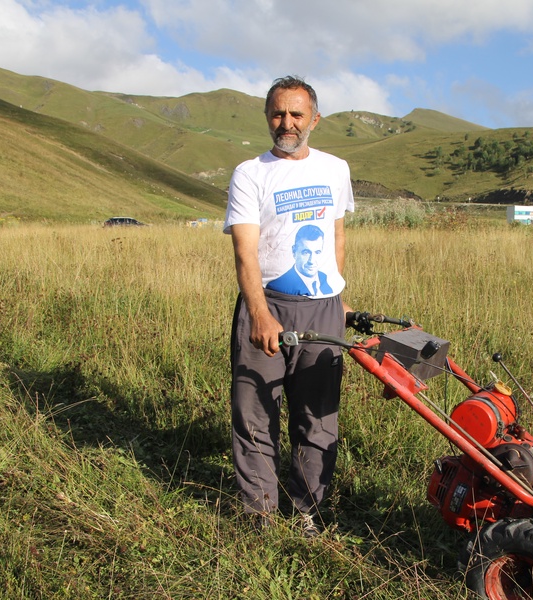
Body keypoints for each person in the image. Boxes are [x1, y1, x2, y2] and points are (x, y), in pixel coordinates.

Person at [223, 76, 354, 536]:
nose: (287, 123)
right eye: (278, 113)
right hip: (269, 305)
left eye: (297, 114)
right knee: (254, 411)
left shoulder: (336, 168)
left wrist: (340, 298)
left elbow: (337, 235)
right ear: (267, 117)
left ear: (314, 119)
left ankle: (306, 512)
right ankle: (258, 514)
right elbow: (245, 252)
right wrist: (259, 313)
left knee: (317, 417)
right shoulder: (250, 173)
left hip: (323, 308)